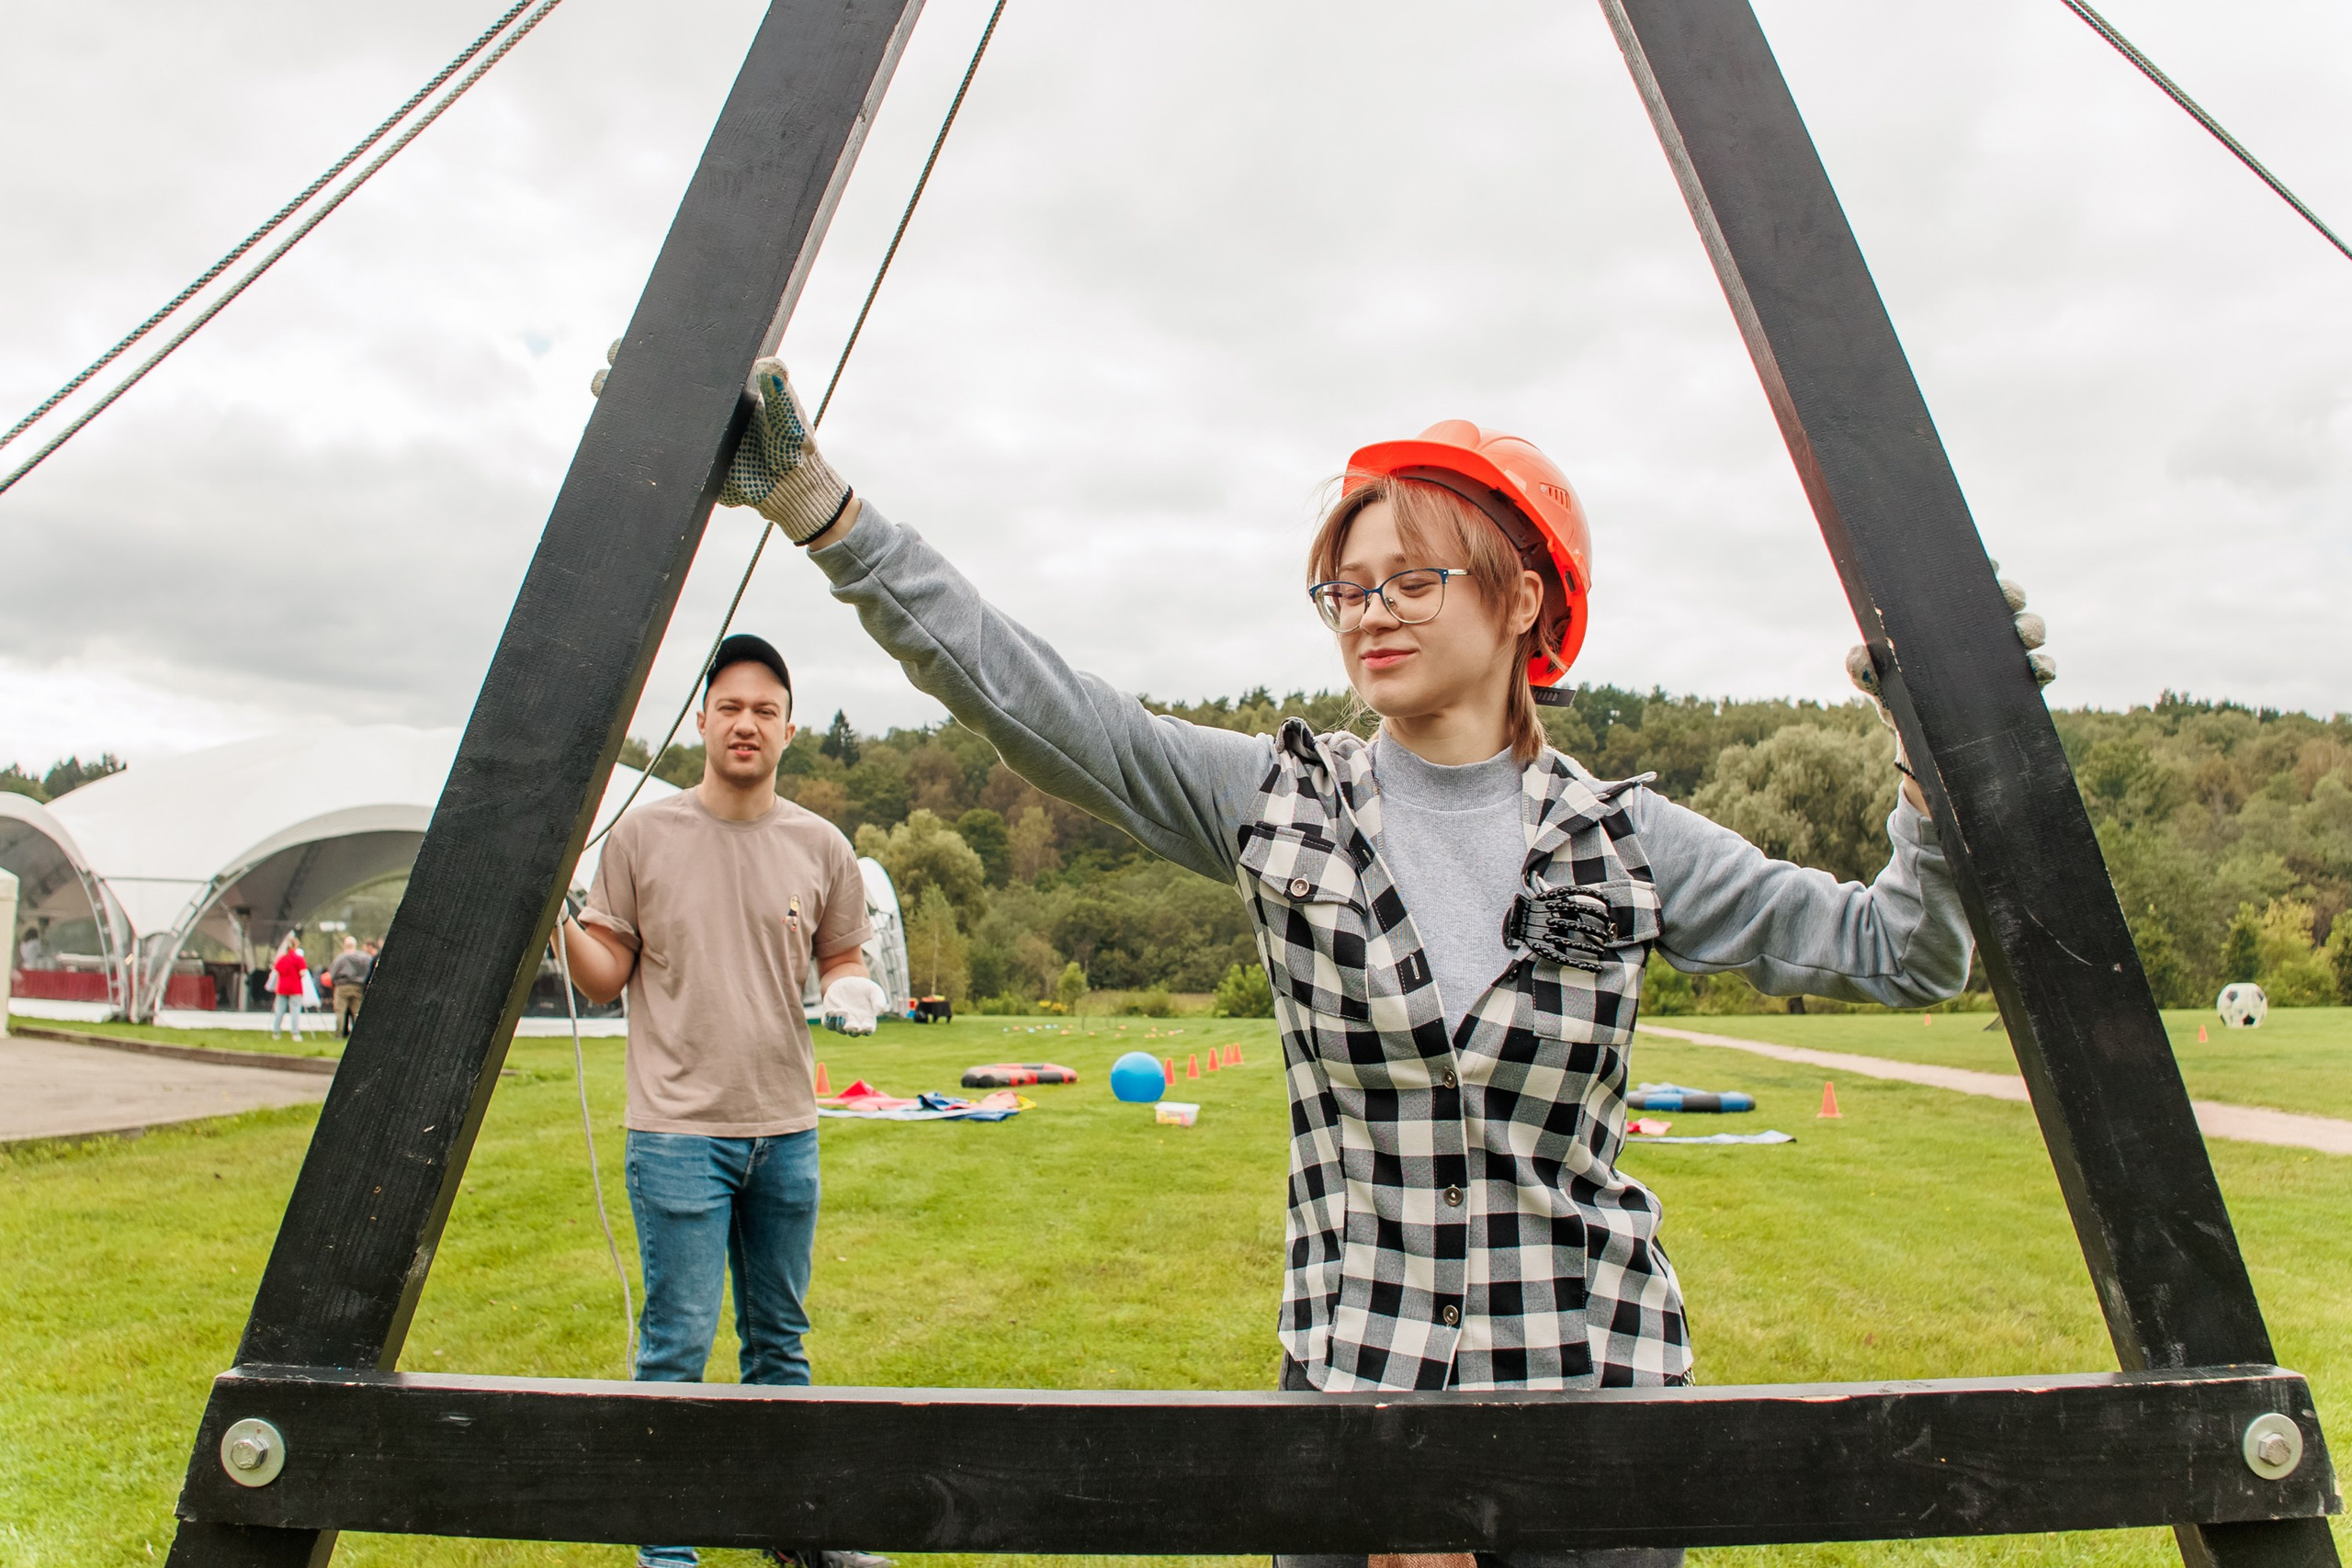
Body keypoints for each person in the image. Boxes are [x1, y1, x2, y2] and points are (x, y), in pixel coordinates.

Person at [703, 362, 2056, 1568]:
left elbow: (1907, 949)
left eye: (1415, 576)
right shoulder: (1276, 801)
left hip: (1596, 1411)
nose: (1371, 611)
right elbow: (1039, 700)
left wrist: (1936, 751)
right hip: (1352, 1393)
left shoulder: (1628, 838)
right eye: (1347, 585)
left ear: (1523, 598)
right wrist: (824, 506)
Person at [556, 633, 894, 1568]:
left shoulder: (821, 846)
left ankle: (795, 1531)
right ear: (701, 718)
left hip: (785, 1131)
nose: (747, 723)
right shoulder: (640, 837)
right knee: (676, 1352)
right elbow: (601, 976)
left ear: (789, 731)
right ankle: (668, 1556)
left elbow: (840, 957)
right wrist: (557, 915)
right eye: (731, 706)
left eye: (766, 710)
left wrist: (851, 986)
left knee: (780, 1349)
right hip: (676, 1136)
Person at [328, 934, 372, 1037]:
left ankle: (339, 1034)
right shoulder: (365, 958)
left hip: (342, 986)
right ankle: (360, 1035)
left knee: (340, 1011)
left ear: (345, 945)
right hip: (358, 986)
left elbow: (332, 974)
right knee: (357, 1011)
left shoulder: (341, 958)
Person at [268, 932, 308, 1042]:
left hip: (282, 988)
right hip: (295, 988)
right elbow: (302, 973)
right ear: (295, 946)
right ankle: (295, 1033)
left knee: (279, 1010)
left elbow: (276, 971)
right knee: (295, 1011)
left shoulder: (282, 959)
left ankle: (276, 1032)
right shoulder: (299, 959)